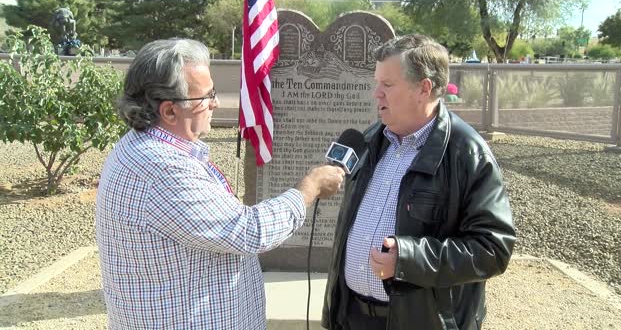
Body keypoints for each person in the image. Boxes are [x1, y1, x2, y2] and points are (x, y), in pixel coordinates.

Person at [95, 39, 345, 329]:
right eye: (206, 96)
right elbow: (250, 231)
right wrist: (309, 188)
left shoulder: (141, 146)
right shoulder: (165, 168)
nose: (215, 102)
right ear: (169, 111)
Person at [321, 34, 516, 330]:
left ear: (423, 88)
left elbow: (493, 249)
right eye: (377, 83)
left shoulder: (467, 153)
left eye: (387, 85)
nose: (377, 93)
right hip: (352, 317)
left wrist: (410, 259)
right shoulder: (371, 138)